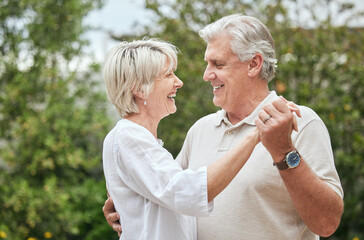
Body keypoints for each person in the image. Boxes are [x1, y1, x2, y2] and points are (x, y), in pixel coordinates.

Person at [103, 14, 344, 240]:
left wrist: (285, 152)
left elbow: (327, 223)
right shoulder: (201, 129)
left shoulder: (301, 122)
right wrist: (125, 203)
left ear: (254, 64)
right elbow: (170, 192)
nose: (207, 75)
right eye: (207, 64)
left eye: (217, 64)